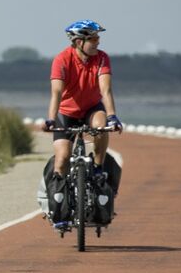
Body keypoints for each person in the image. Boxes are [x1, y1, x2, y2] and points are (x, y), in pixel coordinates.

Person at [42, 20, 123, 224]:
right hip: (66, 112)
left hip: (91, 109)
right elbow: (57, 93)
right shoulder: (62, 60)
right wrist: (51, 119)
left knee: (101, 124)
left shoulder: (102, 58)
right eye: (93, 39)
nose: (98, 42)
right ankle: (59, 209)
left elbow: (105, 90)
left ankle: (97, 167)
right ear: (79, 42)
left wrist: (112, 116)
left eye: (98, 38)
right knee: (62, 158)